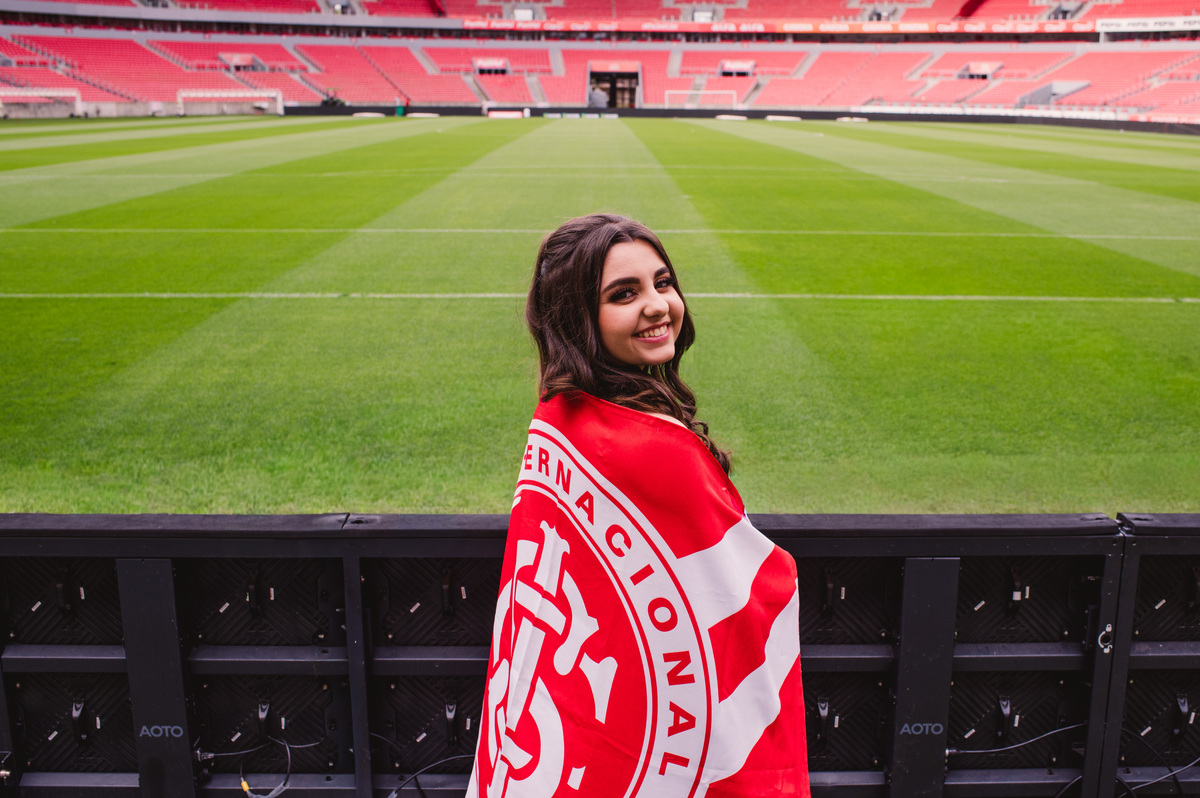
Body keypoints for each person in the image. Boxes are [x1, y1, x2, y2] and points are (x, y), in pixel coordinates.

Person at [469, 213, 810, 797]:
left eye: (663, 282)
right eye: (623, 295)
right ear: (580, 318)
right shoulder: (656, 447)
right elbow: (741, 588)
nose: (657, 306)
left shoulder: (556, 413)